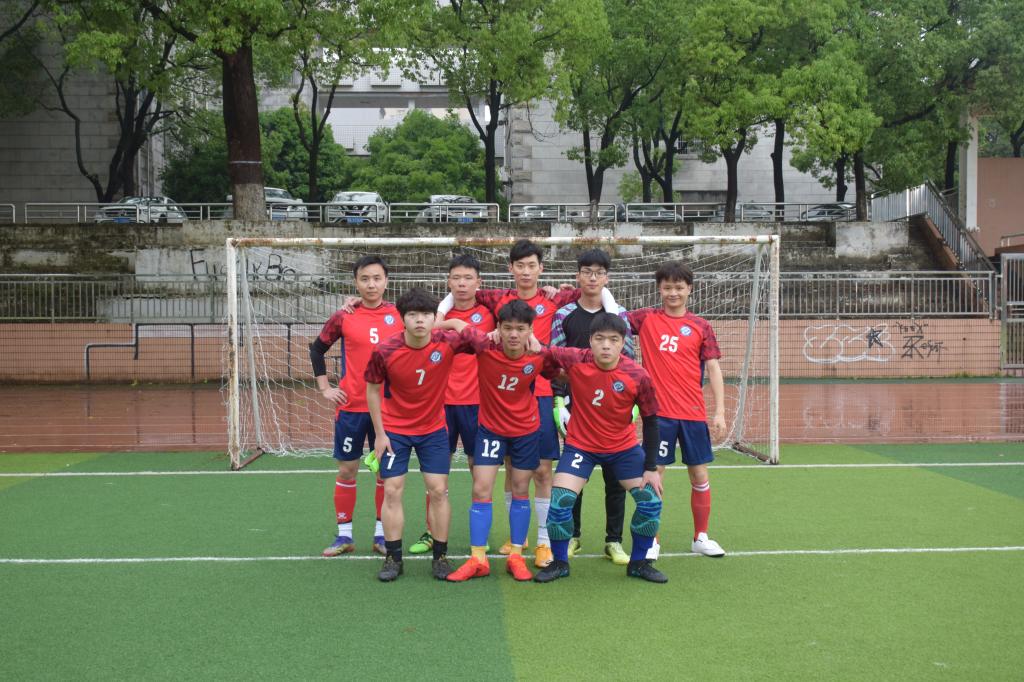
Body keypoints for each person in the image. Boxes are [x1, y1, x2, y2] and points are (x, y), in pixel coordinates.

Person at [437, 239, 620, 568]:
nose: (525, 271)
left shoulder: (557, 298)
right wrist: (442, 315)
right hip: (507, 400)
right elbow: (461, 293)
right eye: (519, 265)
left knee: (543, 471)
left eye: (531, 265)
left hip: (541, 394)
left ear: (541, 269)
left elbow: (596, 292)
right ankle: (515, 539)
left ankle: (544, 542)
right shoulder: (498, 298)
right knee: (512, 470)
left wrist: (614, 313)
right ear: (511, 268)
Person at [534, 313, 667, 583]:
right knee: (560, 501)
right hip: (581, 446)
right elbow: (544, 356)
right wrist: (556, 374)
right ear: (590, 341)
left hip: (623, 448)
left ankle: (639, 563)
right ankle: (559, 563)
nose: (606, 345)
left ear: (623, 343)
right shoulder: (575, 358)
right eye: (600, 339)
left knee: (651, 501)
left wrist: (651, 468)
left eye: (613, 340)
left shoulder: (638, 375)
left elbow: (652, 421)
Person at [365, 287, 473, 582]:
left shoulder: (447, 343)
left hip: (433, 430)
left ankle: (440, 556)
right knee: (392, 489)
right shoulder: (385, 350)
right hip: (394, 431)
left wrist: (456, 322)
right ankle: (393, 558)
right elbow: (372, 391)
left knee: (438, 490)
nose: (420, 320)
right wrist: (379, 434)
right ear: (402, 319)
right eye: (412, 315)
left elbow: (484, 342)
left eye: (426, 314)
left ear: (433, 317)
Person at [626, 261, 727, 559]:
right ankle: (651, 541)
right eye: (667, 287)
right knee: (654, 474)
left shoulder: (701, 326)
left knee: (699, 474)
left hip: (693, 414)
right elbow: (609, 315)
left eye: (679, 287)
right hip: (659, 416)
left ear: (689, 289)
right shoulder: (645, 318)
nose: (673, 293)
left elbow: (713, 368)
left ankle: (701, 537)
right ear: (659, 289)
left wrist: (720, 411)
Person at [438, 299, 541, 582]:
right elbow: (453, 325)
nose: (513, 334)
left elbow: (570, 367)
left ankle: (516, 556)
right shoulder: (483, 345)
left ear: (530, 330)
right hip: (491, 430)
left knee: (520, 488)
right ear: (498, 327)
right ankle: (478, 559)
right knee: (481, 488)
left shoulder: (541, 354)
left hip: (525, 431)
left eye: (520, 329)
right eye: (507, 328)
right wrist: (439, 322)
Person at [310, 255, 402, 557]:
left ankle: (381, 535)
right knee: (347, 470)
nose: (371, 284)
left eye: (377, 278)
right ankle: (344, 536)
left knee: (385, 474)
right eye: (365, 279)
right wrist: (325, 388)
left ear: (386, 281)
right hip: (351, 408)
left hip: (387, 410)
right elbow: (317, 349)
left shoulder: (400, 314)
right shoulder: (344, 315)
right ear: (356, 282)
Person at [549, 248, 635, 566]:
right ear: (578, 276)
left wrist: (632, 406)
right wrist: (559, 401)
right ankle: (573, 536)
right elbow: (555, 361)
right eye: (587, 272)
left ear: (607, 277)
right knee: (574, 476)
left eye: (599, 272)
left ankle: (614, 541)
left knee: (616, 478)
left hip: (614, 407)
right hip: (578, 409)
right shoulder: (564, 315)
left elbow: (630, 360)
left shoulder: (619, 315)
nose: (592, 278)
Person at [408, 254, 496, 556]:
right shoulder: (431, 316)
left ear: (478, 282)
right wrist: (449, 320)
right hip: (441, 404)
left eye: (468, 278)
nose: (462, 283)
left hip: (477, 404)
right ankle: (432, 532)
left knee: (478, 471)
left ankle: (479, 534)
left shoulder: (490, 312)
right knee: (436, 472)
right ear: (448, 281)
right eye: (456, 278)